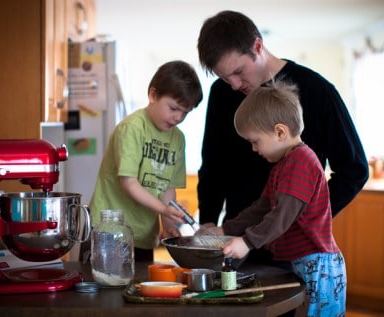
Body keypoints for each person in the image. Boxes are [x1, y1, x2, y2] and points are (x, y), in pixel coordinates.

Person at [196, 10, 369, 228]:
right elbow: (214, 164)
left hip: (295, 248)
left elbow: (354, 170)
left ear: (258, 47)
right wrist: (207, 221)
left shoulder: (316, 91)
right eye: (224, 77)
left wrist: (306, 220)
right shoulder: (222, 93)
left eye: (239, 71)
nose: (234, 85)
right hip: (237, 239)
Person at [199, 82, 347, 316]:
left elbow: (281, 217)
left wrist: (246, 242)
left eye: (255, 141)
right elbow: (261, 208)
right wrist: (225, 230)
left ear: (280, 132)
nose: (253, 149)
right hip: (304, 263)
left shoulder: (301, 163)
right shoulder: (283, 166)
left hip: (320, 267)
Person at [89, 60, 203, 262]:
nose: (178, 117)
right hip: (109, 230)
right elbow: (129, 183)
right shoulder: (132, 128)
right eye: (174, 108)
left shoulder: (178, 139)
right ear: (153, 95)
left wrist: (168, 223)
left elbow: (167, 190)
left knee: (137, 289)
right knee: (106, 288)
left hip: (143, 235)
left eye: (185, 112)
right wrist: (163, 209)